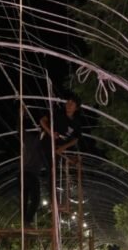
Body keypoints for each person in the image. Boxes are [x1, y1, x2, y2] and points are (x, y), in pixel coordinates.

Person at [20, 94, 83, 225]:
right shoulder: (58, 113)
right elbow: (42, 121)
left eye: (72, 104)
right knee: (50, 171)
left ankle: (53, 201)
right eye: (68, 102)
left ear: (76, 108)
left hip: (57, 149)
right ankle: (53, 201)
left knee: (53, 173)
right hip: (45, 144)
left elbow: (76, 139)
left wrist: (63, 148)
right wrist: (50, 132)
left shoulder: (76, 123)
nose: (68, 105)